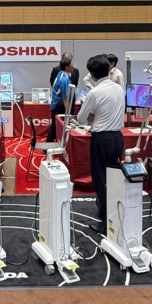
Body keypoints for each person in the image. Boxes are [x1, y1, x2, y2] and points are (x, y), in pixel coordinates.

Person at [76, 54, 125, 235]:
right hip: (118, 138)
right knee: (113, 179)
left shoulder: (94, 93)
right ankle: (112, 215)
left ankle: (106, 222)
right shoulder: (119, 89)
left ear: (92, 74)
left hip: (101, 139)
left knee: (101, 180)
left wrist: (92, 115)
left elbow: (81, 118)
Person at [47, 56, 73, 142]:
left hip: (56, 103)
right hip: (58, 105)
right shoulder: (64, 80)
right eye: (71, 65)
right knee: (55, 125)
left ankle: (52, 142)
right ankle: (48, 144)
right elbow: (65, 98)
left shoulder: (60, 74)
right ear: (66, 67)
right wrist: (68, 111)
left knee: (55, 125)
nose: (73, 67)